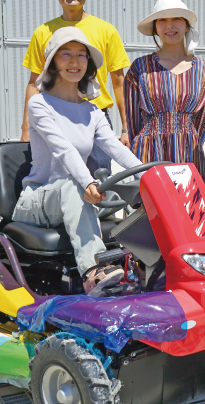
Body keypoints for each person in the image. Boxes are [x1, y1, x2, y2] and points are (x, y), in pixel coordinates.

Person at [13, 27, 144, 290]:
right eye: (66, 54)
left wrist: (151, 174)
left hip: (74, 198)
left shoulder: (93, 111)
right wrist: (87, 182)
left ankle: (149, 267)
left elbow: (115, 149)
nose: (75, 62)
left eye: (82, 55)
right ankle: (94, 271)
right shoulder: (39, 104)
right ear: (52, 62)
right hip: (37, 199)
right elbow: (64, 150)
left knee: (141, 194)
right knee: (75, 184)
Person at [22, 0, 131, 171]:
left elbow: (119, 84)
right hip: (53, 116)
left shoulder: (106, 30)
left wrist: (126, 128)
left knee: (100, 183)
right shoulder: (43, 32)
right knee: (56, 179)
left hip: (95, 116)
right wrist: (26, 128)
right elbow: (34, 84)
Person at [124, 0, 205, 182]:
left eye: (177, 19)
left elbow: (202, 123)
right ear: (155, 28)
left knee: (187, 209)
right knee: (149, 209)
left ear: (187, 25)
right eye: (162, 20)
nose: (169, 26)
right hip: (148, 155)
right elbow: (133, 121)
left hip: (189, 154)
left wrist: (186, 137)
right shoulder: (140, 68)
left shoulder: (204, 71)